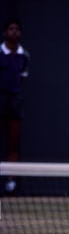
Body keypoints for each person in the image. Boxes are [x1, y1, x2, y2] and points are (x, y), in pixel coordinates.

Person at [0, 20, 30, 193]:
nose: (14, 32)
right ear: (5, 33)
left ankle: (11, 183)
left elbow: (21, 78)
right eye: (11, 29)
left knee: (13, 143)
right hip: (1, 98)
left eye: (17, 29)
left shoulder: (24, 55)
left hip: (15, 102)